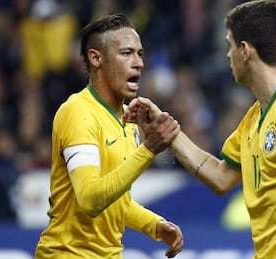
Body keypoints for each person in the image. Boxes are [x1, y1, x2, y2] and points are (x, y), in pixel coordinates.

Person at [124, 1, 276, 258]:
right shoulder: (256, 117)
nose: (228, 55)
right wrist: (168, 131)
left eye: (230, 46)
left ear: (245, 50)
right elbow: (221, 177)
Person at [35, 13, 183, 259]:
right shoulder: (78, 112)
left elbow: (114, 201)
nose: (139, 63)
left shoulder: (127, 119)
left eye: (140, 54)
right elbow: (91, 200)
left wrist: (154, 225)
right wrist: (148, 150)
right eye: (126, 53)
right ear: (96, 58)